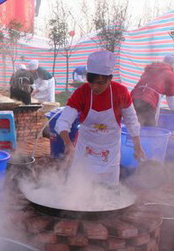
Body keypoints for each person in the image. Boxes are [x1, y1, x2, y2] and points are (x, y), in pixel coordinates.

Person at [55, 50, 145, 186]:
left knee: (108, 192)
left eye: (100, 83)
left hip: (110, 152)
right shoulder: (82, 92)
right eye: (90, 81)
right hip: (85, 149)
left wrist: (137, 146)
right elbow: (63, 122)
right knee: (79, 188)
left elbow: (132, 121)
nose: (94, 87)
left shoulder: (120, 92)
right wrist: (68, 143)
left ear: (110, 79)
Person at [131, 54, 174, 126]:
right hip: (148, 102)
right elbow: (171, 99)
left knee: (135, 125)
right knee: (149, 127)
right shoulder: (169, 74)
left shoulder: (151, 69)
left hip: (134, 98)